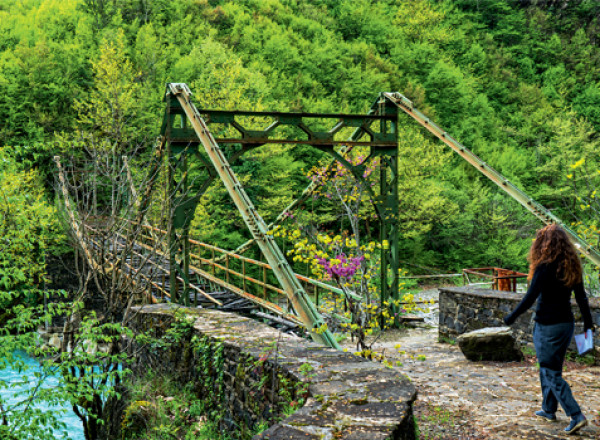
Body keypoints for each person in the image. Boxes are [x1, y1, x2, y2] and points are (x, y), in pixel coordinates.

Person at [503, 224, 595, 436]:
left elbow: (530, 297)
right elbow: (581, 297)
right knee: (551, 366)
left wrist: (512, 317)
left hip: (547, 326)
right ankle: (548, 409)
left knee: (549, 369)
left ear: (544, 244)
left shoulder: (545, 266)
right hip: (565, 325)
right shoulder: (572, 264)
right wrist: (588, 324)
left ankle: (576, 415)